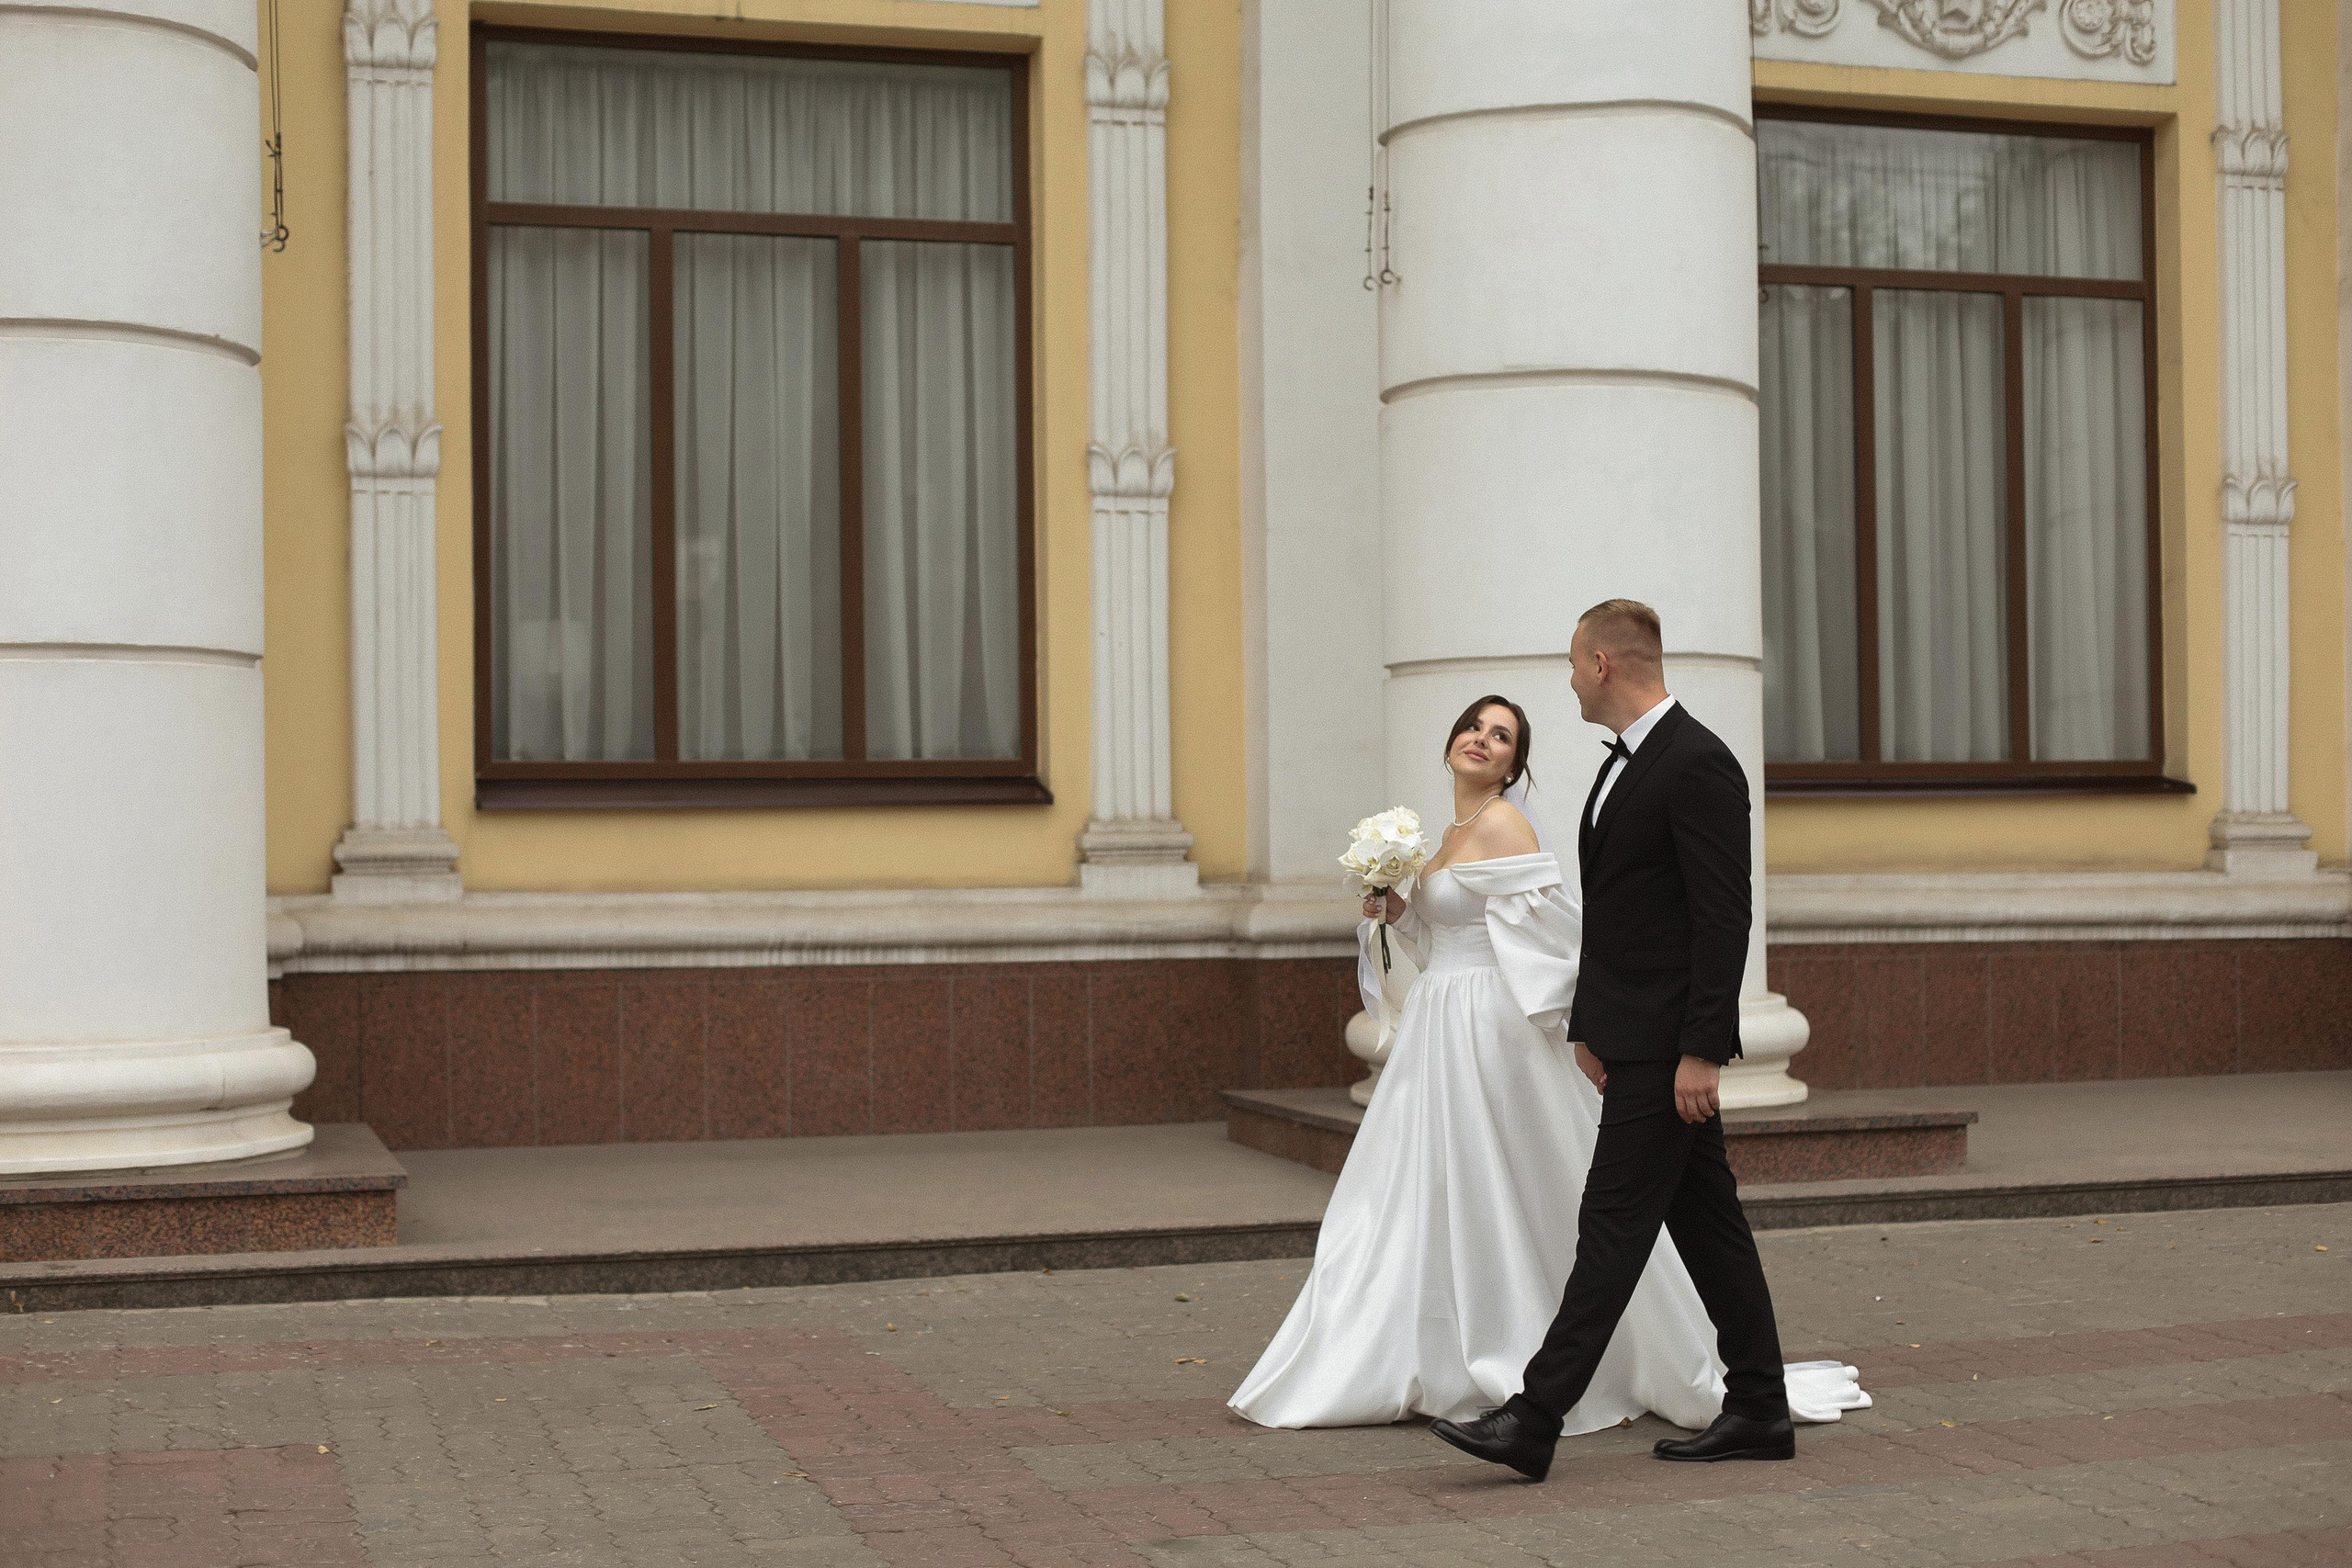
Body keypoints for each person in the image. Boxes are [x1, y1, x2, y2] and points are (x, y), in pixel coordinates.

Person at [1227, 679, 1862, 1451]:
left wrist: (1588, 1030)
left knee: (1581, 1212)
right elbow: (1443, 937)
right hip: (1444, 1027)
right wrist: (1397, 909)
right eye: (1474, 726)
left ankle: (1537, 1411)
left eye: (1502, 737)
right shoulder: (1446, 834)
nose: (1483, 740)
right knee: (1681, 1214)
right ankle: (1753, 1398)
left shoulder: (1504, 824)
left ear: (1512, 767)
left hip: (1495, 1026)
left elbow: (1558, 935)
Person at [1430, 599, 1809, 1482]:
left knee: (1610, 1229)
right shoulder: (1626, 766)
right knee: (1710, 1228)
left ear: (1603, 663)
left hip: (1669, 1050)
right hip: (1631, 1039)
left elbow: (1723, 918)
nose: (1566, 679)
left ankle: (1533, 1417)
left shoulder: (1698, 762)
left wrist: (1703, 1050)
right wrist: (1593, 1028)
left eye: (1572, 663)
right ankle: (1759, 1404)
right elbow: (1617, 922)